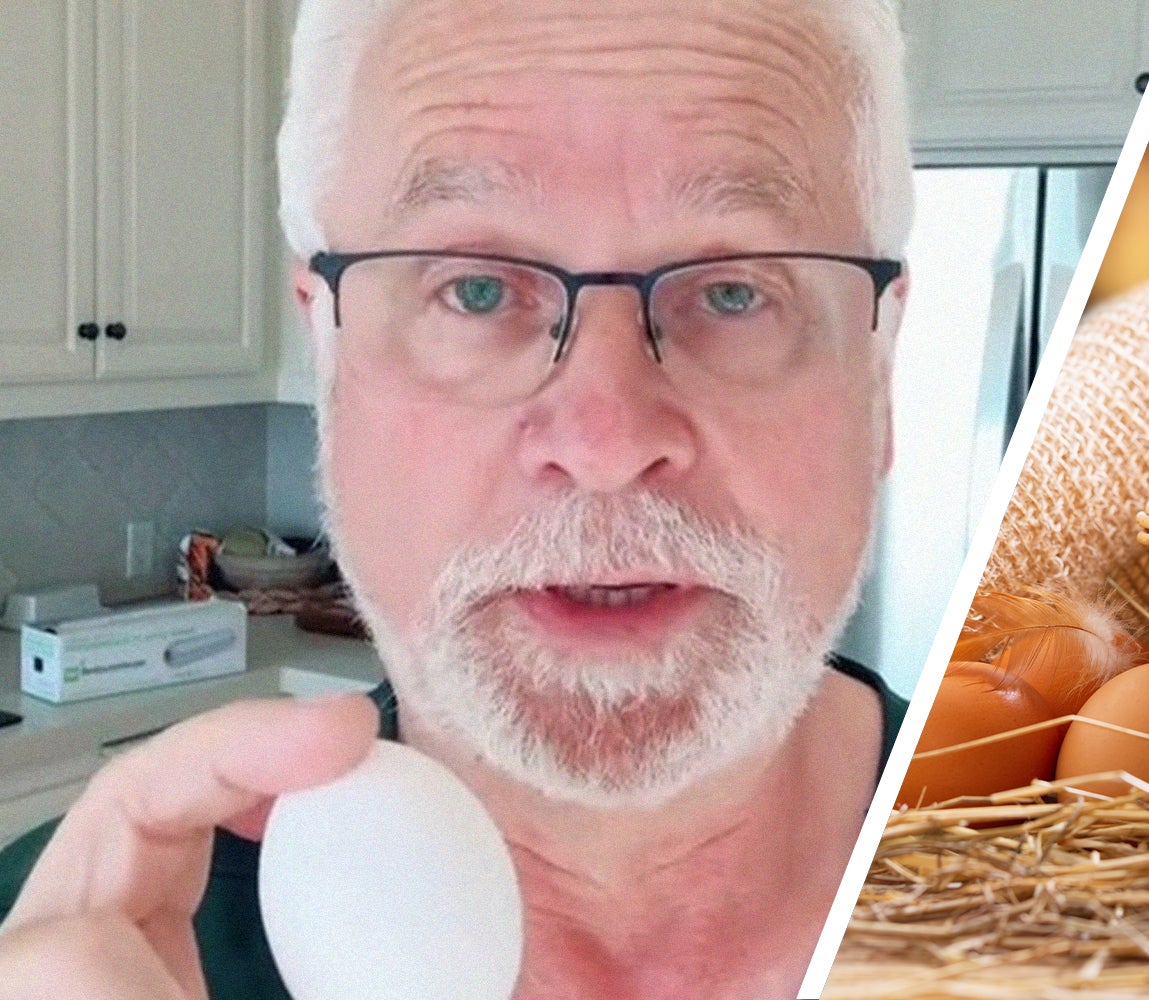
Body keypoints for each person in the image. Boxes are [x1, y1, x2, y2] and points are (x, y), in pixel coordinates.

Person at [0, 0, 913, 996]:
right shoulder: (67, 939)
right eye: (475, 291)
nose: (603, 443)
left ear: (881, 371)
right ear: (328, 355)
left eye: (734, 292)